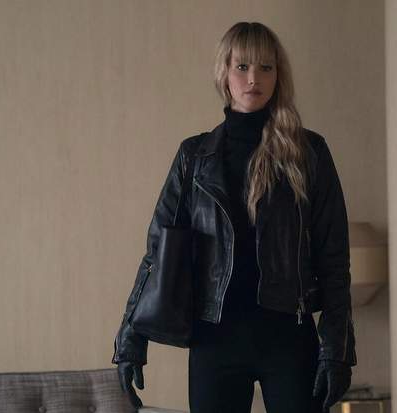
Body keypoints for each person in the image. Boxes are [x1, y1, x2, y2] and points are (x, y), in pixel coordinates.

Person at [111, 21, 357, 413]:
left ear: (278, 75)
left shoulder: (308, 152)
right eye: (242, 66)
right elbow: (158, 252)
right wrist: (131, 337)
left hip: (289, 338)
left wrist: (337, 350)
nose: (253, 78)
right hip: (214, 340)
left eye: (265, 67)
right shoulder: (194, 157)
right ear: (224, 73)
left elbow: (334, 258)